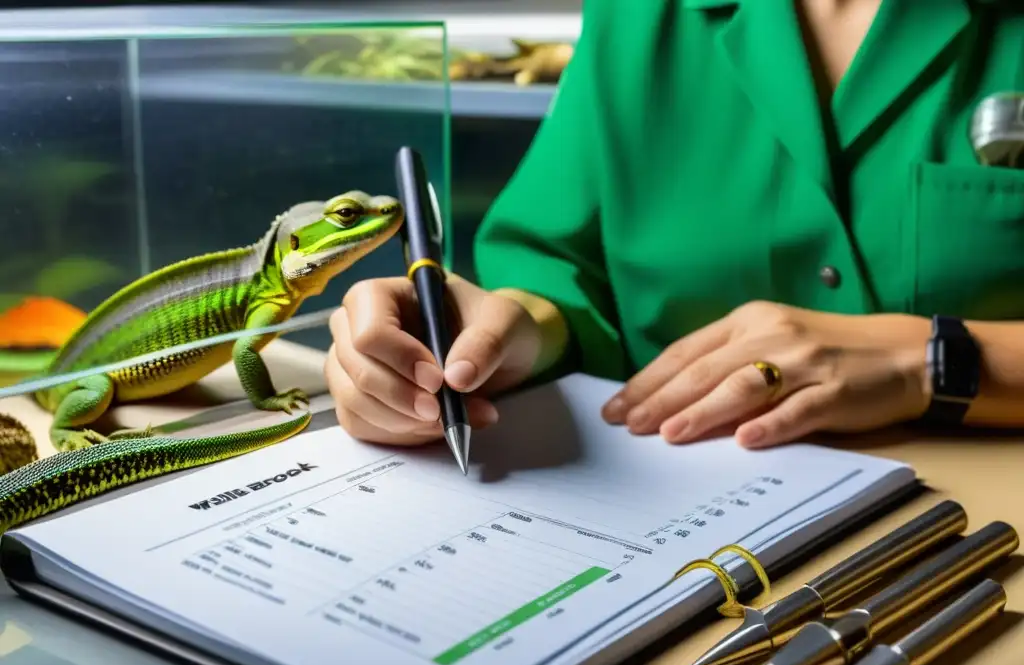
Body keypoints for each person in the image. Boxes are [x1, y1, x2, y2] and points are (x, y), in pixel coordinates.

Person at [326, 0, 1024, 451]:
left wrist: (928, 359)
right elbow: (558, 267)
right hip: (685, 521)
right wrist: (502, 331)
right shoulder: (635, 17)